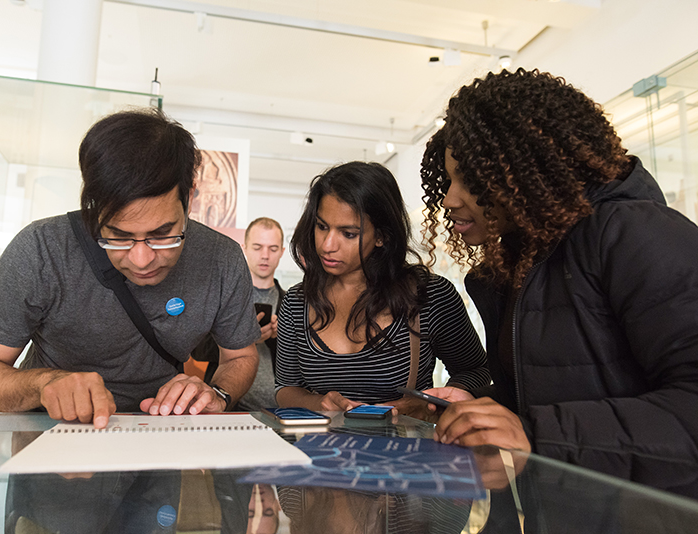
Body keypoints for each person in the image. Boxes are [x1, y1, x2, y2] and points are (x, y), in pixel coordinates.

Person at [419, 68, 698, 497]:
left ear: (526, 170)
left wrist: (535, 434)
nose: (451, 199)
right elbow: (561, 385)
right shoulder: (510, 268)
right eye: (449, 178)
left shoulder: (637, 235)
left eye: (470, 180)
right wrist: (485, 410)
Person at [0, 108, 260, 429]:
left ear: (190, 195)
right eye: (118, 236)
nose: (141, 259)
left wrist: (217, 392)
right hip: (50, 435)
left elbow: (240, 357)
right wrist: (43, 384)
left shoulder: (222, 259)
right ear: (93, 207)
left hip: (157, 436)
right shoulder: (41, 249)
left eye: (162, 235)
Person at [275, 161, 490, 415]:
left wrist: (431, 404)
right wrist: (317, 403)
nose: (327, 245)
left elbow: (476, 371)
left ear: (382, 236)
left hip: (407, 451)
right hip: (318, 451)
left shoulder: (429, 295)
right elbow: (285, 388)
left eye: (348, 233)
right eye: (322, 227)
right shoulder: (297, 301)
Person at [191, 217, 286, 411]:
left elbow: (302, 365)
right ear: (245, 247)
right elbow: (198, 350)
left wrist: (281, 337)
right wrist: (246, 338)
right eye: (258, 247)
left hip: (282, 409)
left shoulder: (292, 303)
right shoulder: (224, 297)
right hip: (232, 405)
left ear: (282, 252)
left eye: (273, 248)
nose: (265, 255)